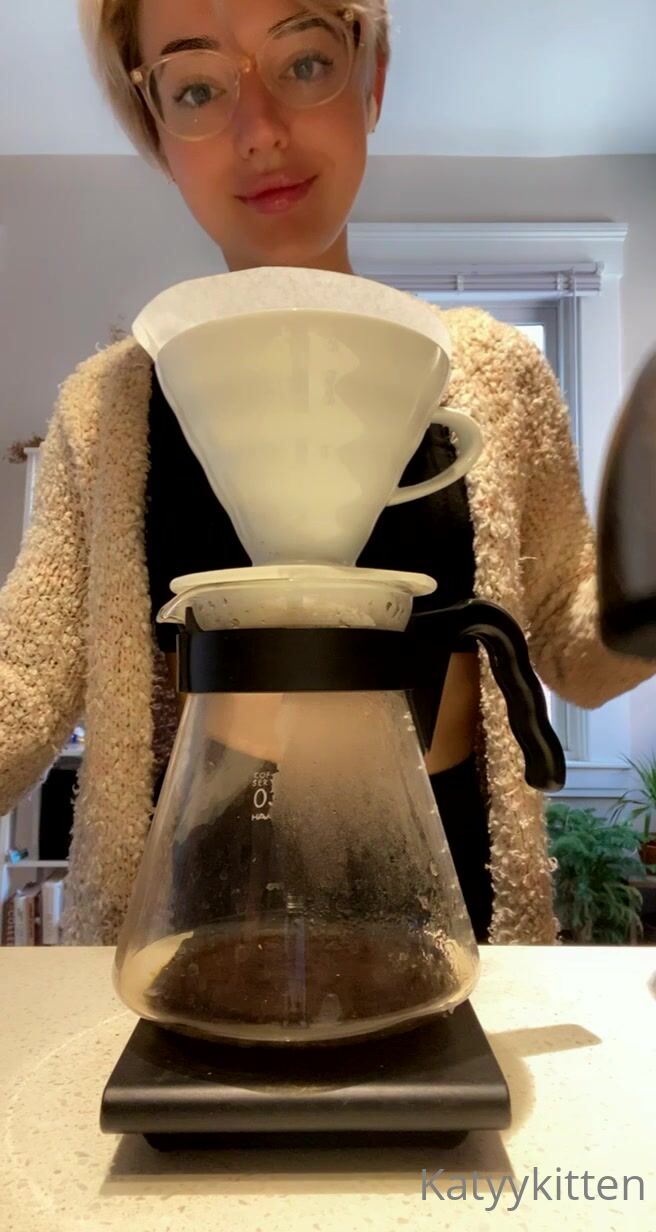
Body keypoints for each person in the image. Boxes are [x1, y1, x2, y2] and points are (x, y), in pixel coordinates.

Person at [0, 0, 654, 947]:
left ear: (372, 78)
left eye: (305, 63)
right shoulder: (106, 412)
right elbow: (23, 682)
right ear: (156, 129)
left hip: (457, 934)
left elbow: (570, 643)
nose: (260, 130)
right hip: (182, 943)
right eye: (196, 88)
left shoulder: (495, 376)